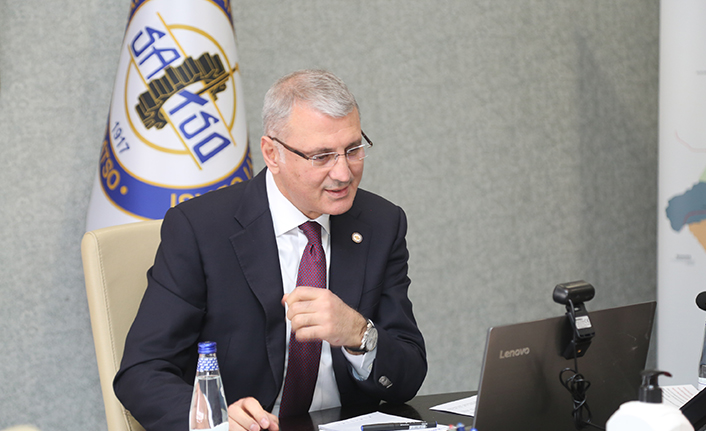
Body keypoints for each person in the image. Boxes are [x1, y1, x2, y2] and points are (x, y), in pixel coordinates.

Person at [114, 69, 427, 431]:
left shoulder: (380, 223)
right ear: (272, 153)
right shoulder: (200, 229)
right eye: (322, 156)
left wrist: (359, 334)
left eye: (353, 150)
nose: (344, 173)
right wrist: (215, 421)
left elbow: (407, 378)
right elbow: (142, 371)